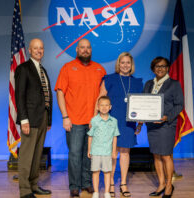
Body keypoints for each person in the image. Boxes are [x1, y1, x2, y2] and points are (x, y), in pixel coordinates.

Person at [55, 39, 106, 198]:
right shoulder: (68, 68)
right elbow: (60, 92)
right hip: (74, 121)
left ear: (91, 50)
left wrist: (98, 117)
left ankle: (87, 183)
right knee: (75, 154)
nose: (85, 50)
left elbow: (103, 93)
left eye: (88, 47)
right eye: (82, 48)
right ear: (77, 50)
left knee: (89, 154)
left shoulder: (100, 69)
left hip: (93, 122)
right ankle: (74, 186)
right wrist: (65, 117)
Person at [97, 52, 143, 197]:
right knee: (112, 153)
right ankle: (110, 183)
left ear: (132, 65)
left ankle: (123, 183)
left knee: (125, 153)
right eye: (122, 62)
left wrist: (140, 123)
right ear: (118, 64)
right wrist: (96, 119)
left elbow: (141, 105)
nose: (125, 65)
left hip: (128, 122)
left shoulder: (137, 82)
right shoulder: (109, 79)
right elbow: (99, 99)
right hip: (110, 122)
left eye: (128, 62)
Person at [15, 38, 52, 198]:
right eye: (35, 48)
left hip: (42, 117)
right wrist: (24, 119)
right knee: (27, 155)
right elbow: (20, 95)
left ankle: (34, 184)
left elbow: (46, 95)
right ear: (29, 50)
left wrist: (48, 119)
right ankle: (24, 190)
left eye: (41, 48)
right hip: (29, 119)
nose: (39, 50)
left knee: (37, 154)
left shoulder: (42, 70)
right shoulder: (23, 68)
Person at [144, 56, 184, 198]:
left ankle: (168, 185)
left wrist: (167, 117)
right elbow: (144, 103)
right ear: (153, 69)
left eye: (163, 66)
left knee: (166, 156)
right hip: (151, 126)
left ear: (167, 68)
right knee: (156, 155)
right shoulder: (148, 84)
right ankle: (161, 184)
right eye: (157, 66)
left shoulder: (174, 84)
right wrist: (140, 119)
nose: (160, 68)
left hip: (166, 125)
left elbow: (179, 105)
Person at [87, 96, 120, 198]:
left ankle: (106, 192)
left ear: (110, 107)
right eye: (102, 105)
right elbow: (90, 136)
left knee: (107, 172)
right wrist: (89, 149)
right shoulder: (94, 120)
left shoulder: (114, 121)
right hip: (96, 151)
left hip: (107, 151)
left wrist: (114, 151)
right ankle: (96, 192)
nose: (104, 107)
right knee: (95, 172)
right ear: (98, 107)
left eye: (106, 105)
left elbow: (115, 136)